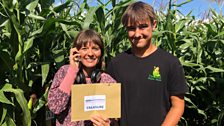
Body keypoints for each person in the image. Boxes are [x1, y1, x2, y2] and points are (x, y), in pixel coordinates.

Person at [106, 1, 188, 126]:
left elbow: (178, 106)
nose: (137, 34)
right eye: (131, 28)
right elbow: (110, 105)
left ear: (154, 24)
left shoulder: (170, 63)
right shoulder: (116, 64)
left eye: (143, 26)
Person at [48, 29, 118, 126]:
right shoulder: (64, 73)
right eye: (84, 48)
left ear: (101, 53)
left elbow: (115, 119)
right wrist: (72, 71)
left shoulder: (107, 81)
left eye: (95, 48)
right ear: (76, 52)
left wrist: (108, 123)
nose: (90, 53)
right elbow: (55, 107)